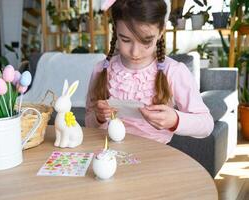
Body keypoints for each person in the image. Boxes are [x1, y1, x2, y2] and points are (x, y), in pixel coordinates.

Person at [85, 0, 214, 144]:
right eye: (125, 40)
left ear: (161, 31)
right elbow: (89, 123)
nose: (135, 52)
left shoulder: (173, 71)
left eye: (146, 41)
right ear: (115, 29)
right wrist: (99, 117)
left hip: (153, 157)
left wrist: (175, 120)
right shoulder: (101, 69)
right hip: (108, 154)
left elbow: (206, 125)